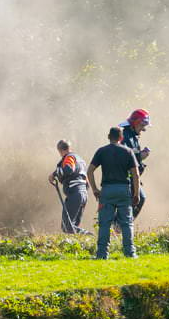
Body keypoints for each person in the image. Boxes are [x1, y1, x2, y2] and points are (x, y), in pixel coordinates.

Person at [88, 127, 140, 259]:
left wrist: (94, 189)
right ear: (121, 138)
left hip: (107, 191)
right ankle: (130, 253)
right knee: (127, 223)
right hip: (123, 190)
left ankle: (102, 255)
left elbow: (89, 171)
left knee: (104, 223)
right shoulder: (128, 151)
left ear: (108, 136)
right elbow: (136, 175)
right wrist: (137, 194)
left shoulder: (101, 151)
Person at [48, 140, 90, 234]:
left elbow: (69, 169)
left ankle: (90, 236)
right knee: (72, 226)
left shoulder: (69, 157)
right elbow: (87, 182)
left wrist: (54, 174)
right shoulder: (81, 161)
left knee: (67, 226)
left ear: (60, 150)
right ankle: (79, 244)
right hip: (83, 195)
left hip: (75, 194)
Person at [118, 109, 151, 218]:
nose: (143, 129)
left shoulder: (132, 136)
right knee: (136, 200)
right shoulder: (125, 136)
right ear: (136, 123)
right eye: (142, 125)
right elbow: (125, 157)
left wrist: (140, 156)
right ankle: (118, 226)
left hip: (132, 177)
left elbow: (133, 155)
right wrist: (140, 156)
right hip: (126, 177)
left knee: (138, 200)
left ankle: (119, 227)